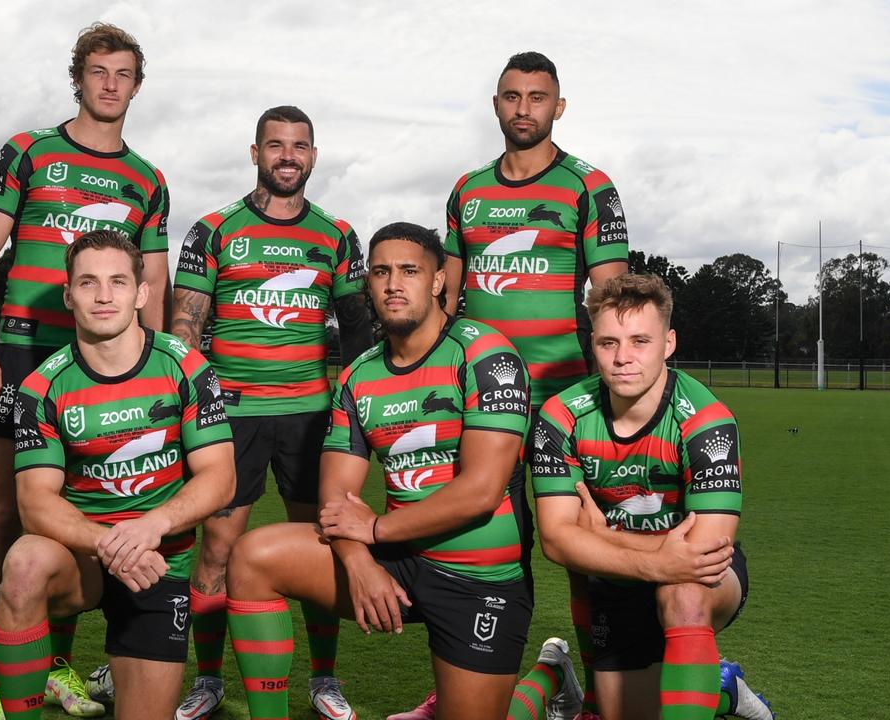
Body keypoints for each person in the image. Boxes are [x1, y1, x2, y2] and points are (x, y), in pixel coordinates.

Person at [223, 222, 583, 720]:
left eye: (410, 271)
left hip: (479, 576)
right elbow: (336, 500)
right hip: (394, 560)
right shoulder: (358, 375)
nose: (394, 283)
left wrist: (374, 530)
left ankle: (548, 672)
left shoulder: (485, 354)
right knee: (253, 557)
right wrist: (362, 561)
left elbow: (481, 490)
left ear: (437, 281)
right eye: (381, 272)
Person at [397, 50, 631, 720]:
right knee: (483, 544)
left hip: (564, 401)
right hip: (480, 402)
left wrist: (609, 398)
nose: (522, 108)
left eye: (536, 97)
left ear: (558, 107)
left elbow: (610, 297)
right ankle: (464, 687)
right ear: (495, 105)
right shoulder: (467, 190)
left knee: (587, 546)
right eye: (510, 96)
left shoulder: (590, 187)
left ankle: (599, 689)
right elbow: (447, 295)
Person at [116, 105, 370, 720]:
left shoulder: (336, 234)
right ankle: (208, 681)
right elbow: (183, 330)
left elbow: (359, 332)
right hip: (233, 420)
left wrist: (361, 410)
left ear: (314, 155)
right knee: (217, 551)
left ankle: (323, 679)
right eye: (276, 145)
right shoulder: (214, 230)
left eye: (300, 146)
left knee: (322, 546)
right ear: (254, 152)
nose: (289, 156)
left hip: (313, 421)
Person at [0, 22, 170, 720]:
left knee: (87, 508)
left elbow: (156, 287)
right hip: (23, 351)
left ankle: (57, 665)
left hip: (109, 362)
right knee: (7, 510)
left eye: (124, 75)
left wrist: (157, 371)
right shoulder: (27, 152)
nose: (111, 85)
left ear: (138, 86)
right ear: (78, 77)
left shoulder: (148, 180)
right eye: (99, 71)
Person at [0, 229, 234, 720]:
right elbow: (35, 502)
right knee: (23, 565)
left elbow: (219, 478)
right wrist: (108, 544)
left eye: (118, 282)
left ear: (141, 293)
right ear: (68, 295)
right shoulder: (41, 387)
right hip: (81, 559)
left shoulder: (185, 366)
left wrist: (151, 527)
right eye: (88, 283)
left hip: (160, 563)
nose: (104, 295)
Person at [529, 273, 774, 720]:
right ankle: (725, 693)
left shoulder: (706, 421)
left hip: (699, 580)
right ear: (592, 346)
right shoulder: (560, 417)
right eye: (608, 343)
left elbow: (703, 552)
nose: (623, 358)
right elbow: (556, 541)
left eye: (640, 340)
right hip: (616, 581)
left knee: (683, 593)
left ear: (669, 343)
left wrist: (603, 538)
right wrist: (654, 558)